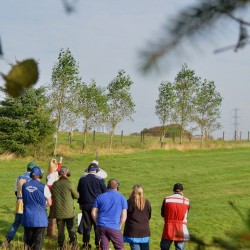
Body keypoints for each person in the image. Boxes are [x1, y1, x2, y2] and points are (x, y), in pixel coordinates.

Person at [0, 162, 37, 248]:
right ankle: (26, 244)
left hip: (19, 203)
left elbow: (16, 192)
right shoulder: (33, 179)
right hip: (29, 204)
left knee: (16, 223)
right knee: (28, 225)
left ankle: (7, 241)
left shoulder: (19, 177)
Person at [77, 161, 107, 249]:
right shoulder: (100, 179)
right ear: (96, 170)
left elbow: (79, 192)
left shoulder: (82, 179)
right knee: (97, 225)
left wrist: (80, 203)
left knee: (86, 225)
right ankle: (98, 244)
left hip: (85, 205)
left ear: (88, 170)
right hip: (97, 206)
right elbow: (105, 193)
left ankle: (86, 244)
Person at [21, 166, 52, 250]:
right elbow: (49, 202)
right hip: (40, 218)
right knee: (38, 244)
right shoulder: (44, 187)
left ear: (31, 175)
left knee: (28, 243)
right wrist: (42, 203)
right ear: (40, 176)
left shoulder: (24, 186)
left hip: (27, 217)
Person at [91, 179, 127, 250]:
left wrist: (97, 223)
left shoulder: (100, 197)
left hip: (101, 226)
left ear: (108, 186)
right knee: (120, 247)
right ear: (118, 187)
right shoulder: (122, 198)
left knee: (104, 247)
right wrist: (120, 225)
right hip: (114, 227)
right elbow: (124, 215)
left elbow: (93, 212)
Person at [52, 166, 79, 250]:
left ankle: (60, 246)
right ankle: (73, 245)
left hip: (58, 212)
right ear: (67, 173)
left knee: (60, 231)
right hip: (69, 212)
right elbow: (77, 196)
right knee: (71, 229)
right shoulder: (70, 183)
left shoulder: (55, 184)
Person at [160, 183, 190, 250]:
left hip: (168, 228)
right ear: (182, 191)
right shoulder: (187, 201)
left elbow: (162, 214)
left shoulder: (167, 199)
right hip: (181, 229)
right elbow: (186, 214)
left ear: (173, 190)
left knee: (164, 248)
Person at [123, 184, 151, 250]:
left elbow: (124, 215)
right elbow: (149, 215)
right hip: (144, 230)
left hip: (133, 230)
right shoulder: (147, 202)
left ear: (133, 192)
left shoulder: (129, 202)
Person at [46, 156, 63, 238]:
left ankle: (51, 231)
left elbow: (58, 169)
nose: (57, 167)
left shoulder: (53, 173)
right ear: (53, 167)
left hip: (54, 195)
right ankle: (51, 232)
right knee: (53, 214)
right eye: (56, 166)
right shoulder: (52, 176)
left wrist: (60, 161)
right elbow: (48, 186)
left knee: (53, 213)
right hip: (53, 196)